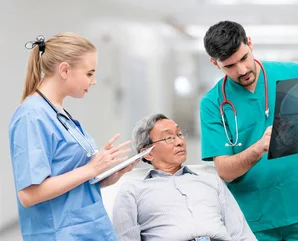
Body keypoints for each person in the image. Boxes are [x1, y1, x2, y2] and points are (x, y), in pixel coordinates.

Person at [199, 20, 298, 240]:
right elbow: (225, 171)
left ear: (249, 43)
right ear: (214, 62)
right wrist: (257, 149)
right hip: (253, 218)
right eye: (229, 66)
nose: (242, 70)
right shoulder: (212, 103)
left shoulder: (294, 74)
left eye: (243, 58)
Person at [8, 33, 135, 241]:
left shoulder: (60, 114)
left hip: (90, 228)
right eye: (89, 73)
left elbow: (71, 178)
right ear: (65, 70)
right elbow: (29, 195)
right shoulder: (31, 116)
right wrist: (91, 168)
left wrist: (104, 174)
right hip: (60, 233)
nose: (93, 82)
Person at [112, 113, 257, 241]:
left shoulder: (211, 180)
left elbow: (241, 233)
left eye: (180, 134)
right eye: (169, 138)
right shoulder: (132, 190)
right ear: (148, 153)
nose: (180, 142)